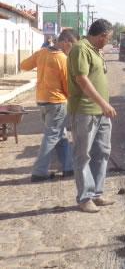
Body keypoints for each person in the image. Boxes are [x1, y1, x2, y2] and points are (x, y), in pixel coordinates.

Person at [68, 19, 117, 213]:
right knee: (83, 155)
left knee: (102, 152)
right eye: (109, 38)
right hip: (85, 111)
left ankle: (97, 193)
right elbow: (82, 79)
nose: (108, 41)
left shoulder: (96, 50)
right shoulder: (81, 49)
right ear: (102, 35)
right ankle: (84, 197)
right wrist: (103, 103)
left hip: (101, 112)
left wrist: (104, 106)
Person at [21, 29, 78, 182]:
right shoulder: (63, 59)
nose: (71, 49)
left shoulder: (42, 53)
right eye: (72, 45)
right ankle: (39, 171)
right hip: (57, 102)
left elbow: (24, 65)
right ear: (66, 42)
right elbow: (67, 86)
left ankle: (68, 168)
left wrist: (39, 62)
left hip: (42, 100)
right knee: (52, 136)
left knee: (61, 135)